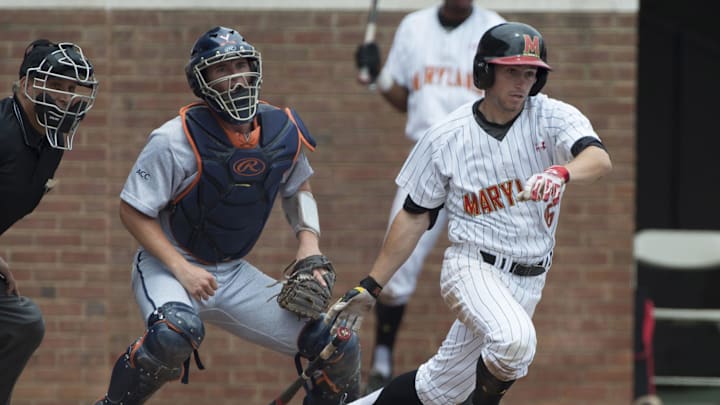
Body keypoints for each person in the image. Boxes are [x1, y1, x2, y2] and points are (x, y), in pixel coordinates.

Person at [331, 21, 613, 405]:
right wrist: (372, 285)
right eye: (511, 71)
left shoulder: (551, 117)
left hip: (530, 278)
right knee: (515, 342)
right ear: (485, 71)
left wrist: (562, 172)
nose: (522, 82)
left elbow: (598, 158)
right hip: (472, 266)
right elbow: (414, 215)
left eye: (530, 73)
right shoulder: (447, 135)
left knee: (439, 388)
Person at [93, 26, 360, 405]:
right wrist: (180, 269)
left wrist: (308, 244)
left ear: (255, 70)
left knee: (335, 344)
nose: (236, 78)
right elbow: (132, 211)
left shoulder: (282, 130)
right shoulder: (173, 139)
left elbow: (298, 187)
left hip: (232, 273)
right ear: (203, 81)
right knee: (175, 332)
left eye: (241, 66)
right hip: (169, 265)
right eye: (223, 71)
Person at [354, 0, 505, 392]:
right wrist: (377, 77)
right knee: (396, 271)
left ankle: (486, 369)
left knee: (488, 266)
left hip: (480, 161)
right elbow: (406, 97)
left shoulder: (496, 29)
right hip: (426, 156)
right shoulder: (413, 27)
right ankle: (382, 358)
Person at [0, 40, 98, 404]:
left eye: (72, 89)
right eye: (56, 84)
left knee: (22, 323)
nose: (64, 96)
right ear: (27, 83)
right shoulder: (4, 133)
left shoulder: (51, 141)